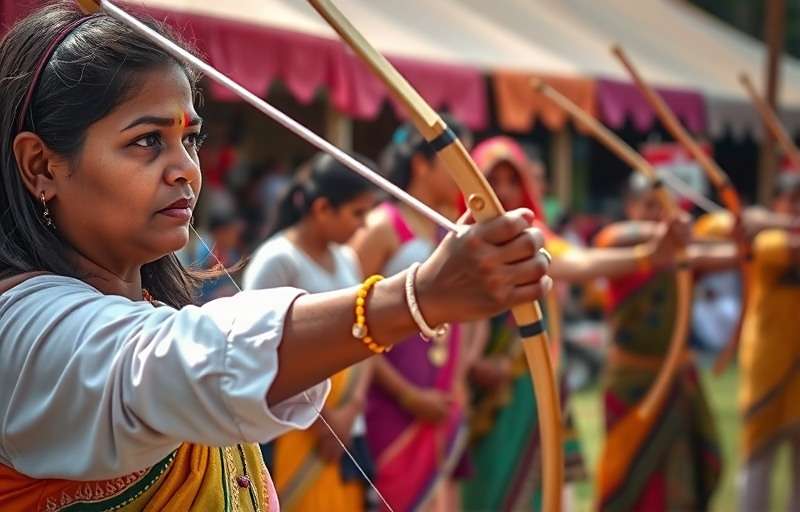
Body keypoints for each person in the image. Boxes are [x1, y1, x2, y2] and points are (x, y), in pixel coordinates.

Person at [0, 4, 552, 511]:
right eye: (147, 141)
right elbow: (167, 363)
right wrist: (416, 297)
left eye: (190, 139)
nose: (185, 170)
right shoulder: (23, 330)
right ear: (42, 166)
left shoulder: (140, 306)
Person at [460, 136, 688, 512]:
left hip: (526, 386)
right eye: (491, 179)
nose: (501, 190)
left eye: (511, 180)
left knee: (529, 485)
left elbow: (578, 264)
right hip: (468, 391)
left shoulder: (534, 239)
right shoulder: (456, 238)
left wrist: (648, 256)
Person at [594, 173, 739, 512]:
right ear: (630, 207)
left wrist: (743, 240)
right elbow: (611, 237)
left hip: (677, 383)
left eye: (665, 208)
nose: (659, 215)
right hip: (632, 384)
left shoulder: (684, 257)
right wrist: (669, 235)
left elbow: (732, 255)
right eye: (649, 207)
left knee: (680, 482)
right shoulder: (622, 248)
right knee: (627, 478)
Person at [242, 153, 378, 511]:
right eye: (357, 214)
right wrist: (324, 420)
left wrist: (352, 408)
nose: (364, 226)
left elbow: (367, 337)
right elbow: (257, 349)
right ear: (321, 209)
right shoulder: (278, 260)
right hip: (295, 429)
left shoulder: (347, 258)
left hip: (349, 423)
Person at [350, 121, 474, 511]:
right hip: (390, 406)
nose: (465, 176)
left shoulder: (447, 231)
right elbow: (348, 324)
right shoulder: (381, 227)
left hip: (441, 403)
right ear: (421, 164)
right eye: (456, 162)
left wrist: (458, 378)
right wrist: (407, 394)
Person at [738, 172, 800, 511]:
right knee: (757, 462)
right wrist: (775, 222)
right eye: (791, 200)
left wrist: (771, 218)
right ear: (777, 202)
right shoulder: (768, 241)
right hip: (769, 369)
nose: (795, 209)